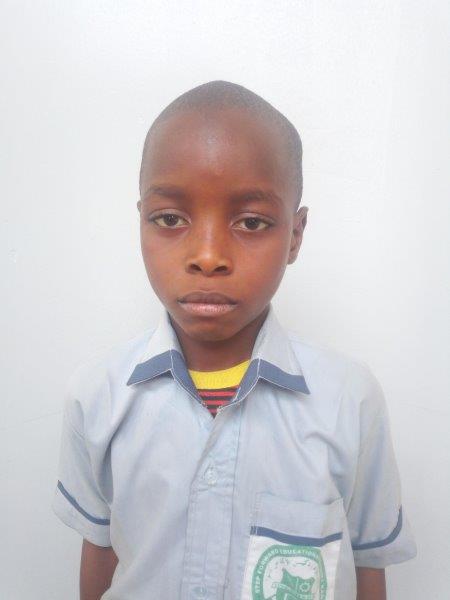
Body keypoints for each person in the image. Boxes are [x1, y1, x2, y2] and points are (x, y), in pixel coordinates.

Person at [52, 80, 417, 600]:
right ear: (141, 222)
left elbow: (367, 566)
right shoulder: (98, 395)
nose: (208, 256)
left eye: (250, 222)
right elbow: (100, 552)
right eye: (170, 219)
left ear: (295, 235)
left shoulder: (348, 399)